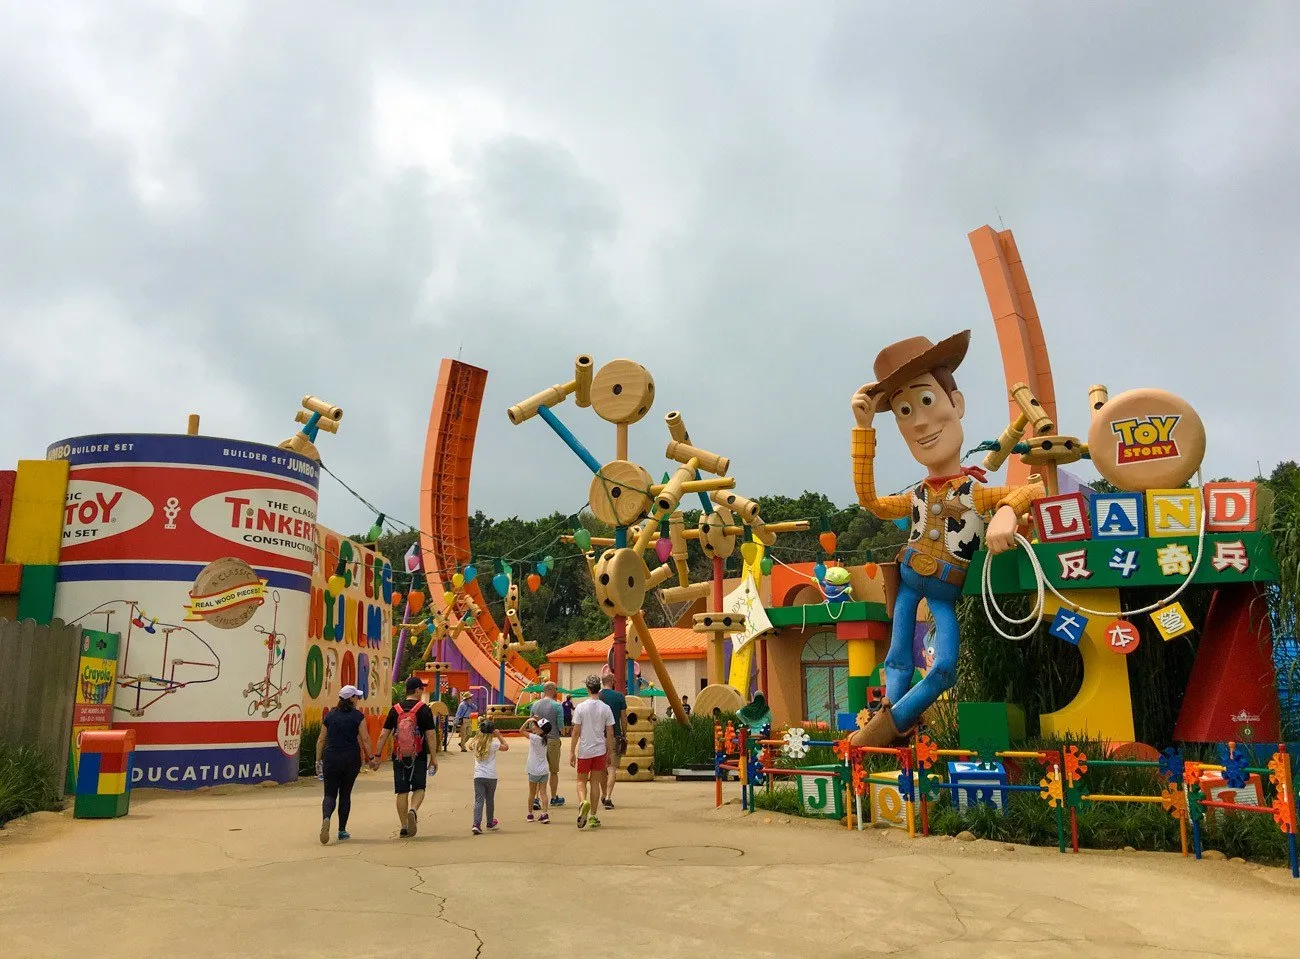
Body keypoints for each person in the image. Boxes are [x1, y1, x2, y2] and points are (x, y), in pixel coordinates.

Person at [849, 330, 1041, 747]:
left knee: (944, 668)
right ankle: (889, 736)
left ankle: (887, 725)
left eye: (927, 401)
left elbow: (1036, 488)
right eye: (903, 410)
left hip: (943, 589)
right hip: (908, 581)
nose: (918, 421)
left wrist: (1007, 512)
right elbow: (872, 502)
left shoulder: (976, 492)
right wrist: (863, 430)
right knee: (897, 657)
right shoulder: (915, 493)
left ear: (956, 404)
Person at [374, 676, 438, 838]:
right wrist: (434, 758)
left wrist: (377, 755)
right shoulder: (424, 709)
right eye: (421, 689)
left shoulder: (395, 709)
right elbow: (431, 735)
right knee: (419, 788)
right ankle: (413, 809)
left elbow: (383, 735)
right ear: (417, 690)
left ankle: (403, 826)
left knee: (402, 791)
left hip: (399, 756)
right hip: (419, 755)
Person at [315, 685, 376, 844]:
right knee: (345, 793)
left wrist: (317, 760)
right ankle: (342, 830)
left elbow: (321, 739)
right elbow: (365, 738)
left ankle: (326, 817)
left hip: (331, 758)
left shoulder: (330, 716)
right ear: (351, 699)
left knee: (329, 794)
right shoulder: (358, 716)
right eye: (356, 697)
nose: (358, 700)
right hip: (351, 759)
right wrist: (371, 758)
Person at [569, 674, 614, 830]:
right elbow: (610, 733)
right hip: (600, 749)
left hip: (584, 750)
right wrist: (609, 752)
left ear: (587, 688)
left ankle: (583, 802)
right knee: (595, 782)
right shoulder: (606, 708)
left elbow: (576, 732)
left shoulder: (581, 707)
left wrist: (572, 751)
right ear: (599, 688)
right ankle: (593, 816)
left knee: (581, 781)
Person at [528, 682, 566, 809]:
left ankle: (536, 798)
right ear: (552, 690)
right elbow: (561, 726)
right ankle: (554, 797)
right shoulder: (557, 706)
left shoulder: (535, 705)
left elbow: (531, 724)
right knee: (553, 771)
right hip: (553, 740)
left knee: (539, 770)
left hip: (538, 741)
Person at [471, 719, 509, 834]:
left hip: (478, 775)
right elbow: (506, 747)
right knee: (490, 800)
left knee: (478, 800)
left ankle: (476, 823)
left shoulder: (476, 742)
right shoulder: (494, 744)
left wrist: (478, 734)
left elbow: (469, 746)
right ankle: (489, 822)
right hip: (491, 776)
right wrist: (499, 735)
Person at [598, 673, 627, 810]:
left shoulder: (597, 696)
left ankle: (603, 794)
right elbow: (623, 718)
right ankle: (608, 797)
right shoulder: (619, 697)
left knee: (602, 768)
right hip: (615, 735)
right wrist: (624, 734)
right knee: (612, 768)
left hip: (598, 736)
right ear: (612, 681)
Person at [521, 717, 552, 823]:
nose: (534, 726)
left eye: (536, 725)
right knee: (543, 792)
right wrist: (535, 721)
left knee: (532, 793)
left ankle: (530, 814)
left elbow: (521, 730)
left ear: (541, 730)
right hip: (544, 769)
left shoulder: (535, 738)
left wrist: (527, 721)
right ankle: (545, 814)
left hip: (534, 769)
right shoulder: (545, 738)